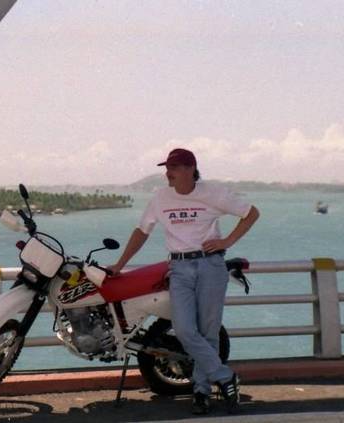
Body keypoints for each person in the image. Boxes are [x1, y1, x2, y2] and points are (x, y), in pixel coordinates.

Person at [108, 148, 259, 415]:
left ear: (190, 169)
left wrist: (227, 242)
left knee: (208, 333)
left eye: (174, 168)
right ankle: (225, 377)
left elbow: (251, 213)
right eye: (167, 167)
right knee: (185, 330)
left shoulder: (213, 193)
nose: (168, 172)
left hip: (210, 265)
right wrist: (120, 264)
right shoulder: (161, 197)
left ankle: (201, 392)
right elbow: (142, 231)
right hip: (179, 267)